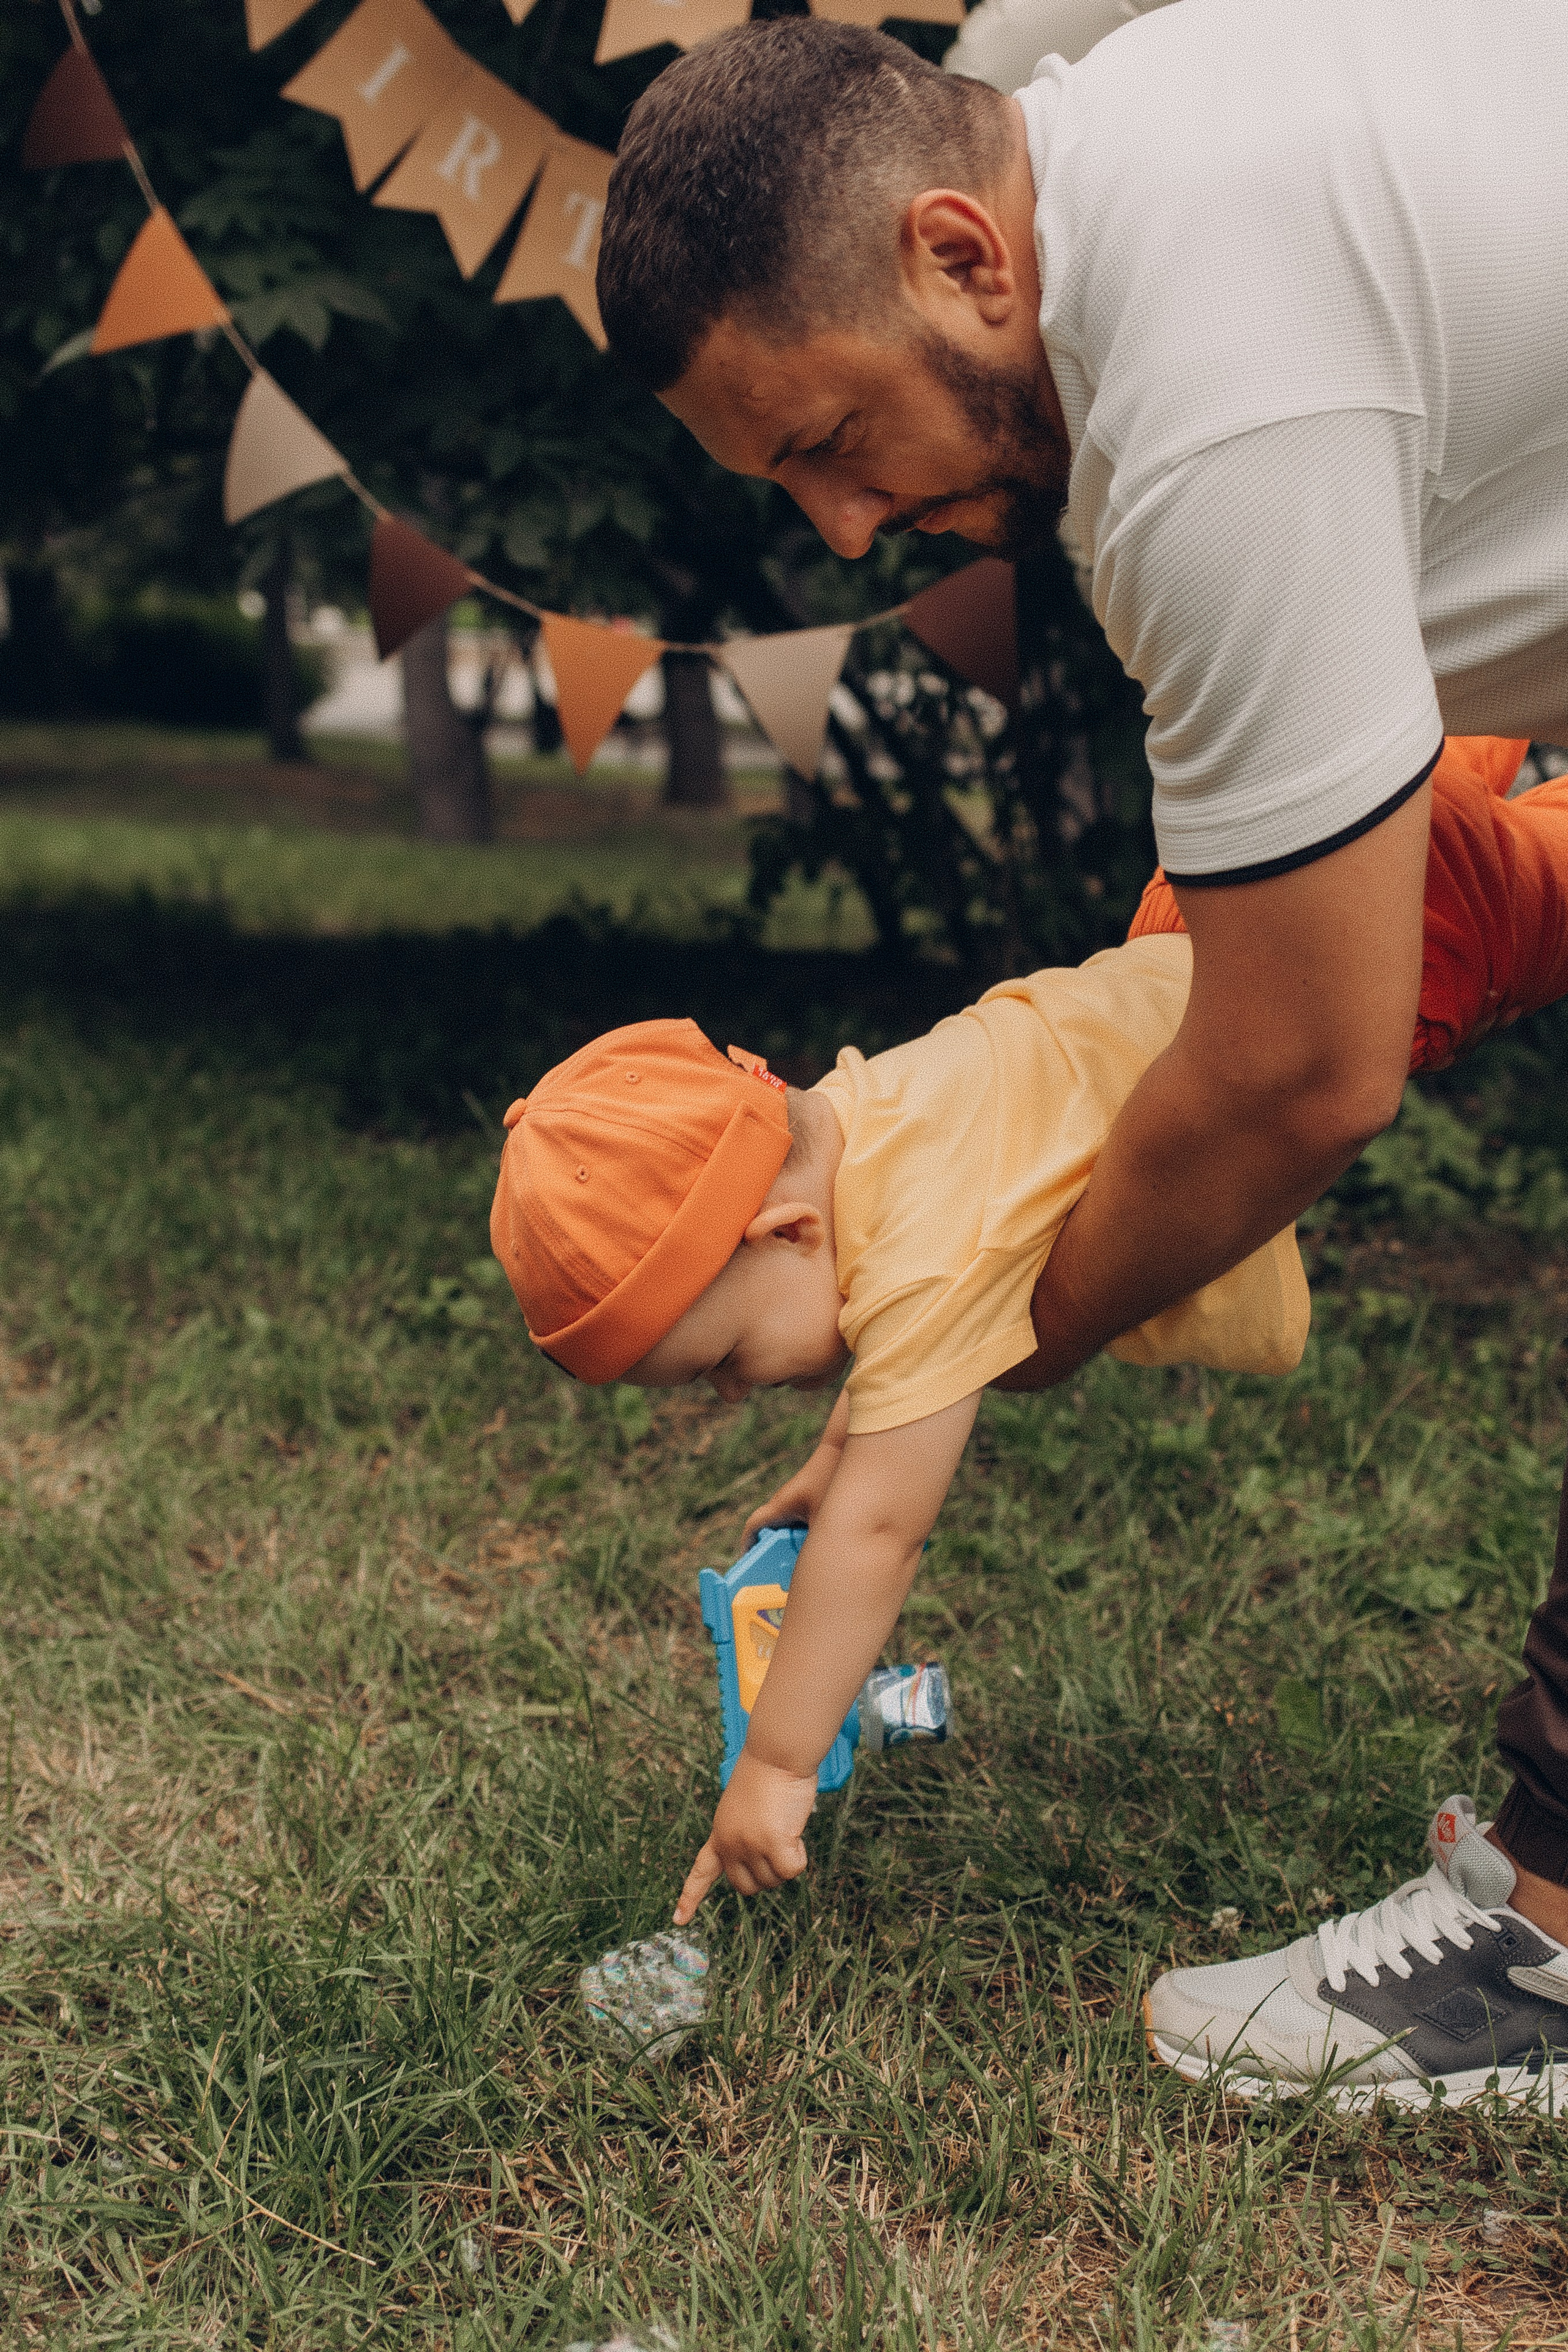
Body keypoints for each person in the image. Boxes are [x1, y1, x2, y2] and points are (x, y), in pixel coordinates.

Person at [588, 0, 1568, 2102]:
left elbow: (1301, 1069)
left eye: (832, 440)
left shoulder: (1203, 410)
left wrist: (1011, 1328)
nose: (844, 530)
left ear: (963, 256)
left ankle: (1552, 1960)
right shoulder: (1083, 109)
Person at [494, 738, 1568, 2097]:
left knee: (1524, 860)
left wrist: (773, 1765)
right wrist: (835, 1449)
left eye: (720, 1361)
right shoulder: (867, 1115)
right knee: (1406, 743)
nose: (731, 1393)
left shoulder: (915, 1255)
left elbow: (880, 1534)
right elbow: (910, 1310)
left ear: (785, 1231)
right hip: (1215, 915)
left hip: (1360, 960)